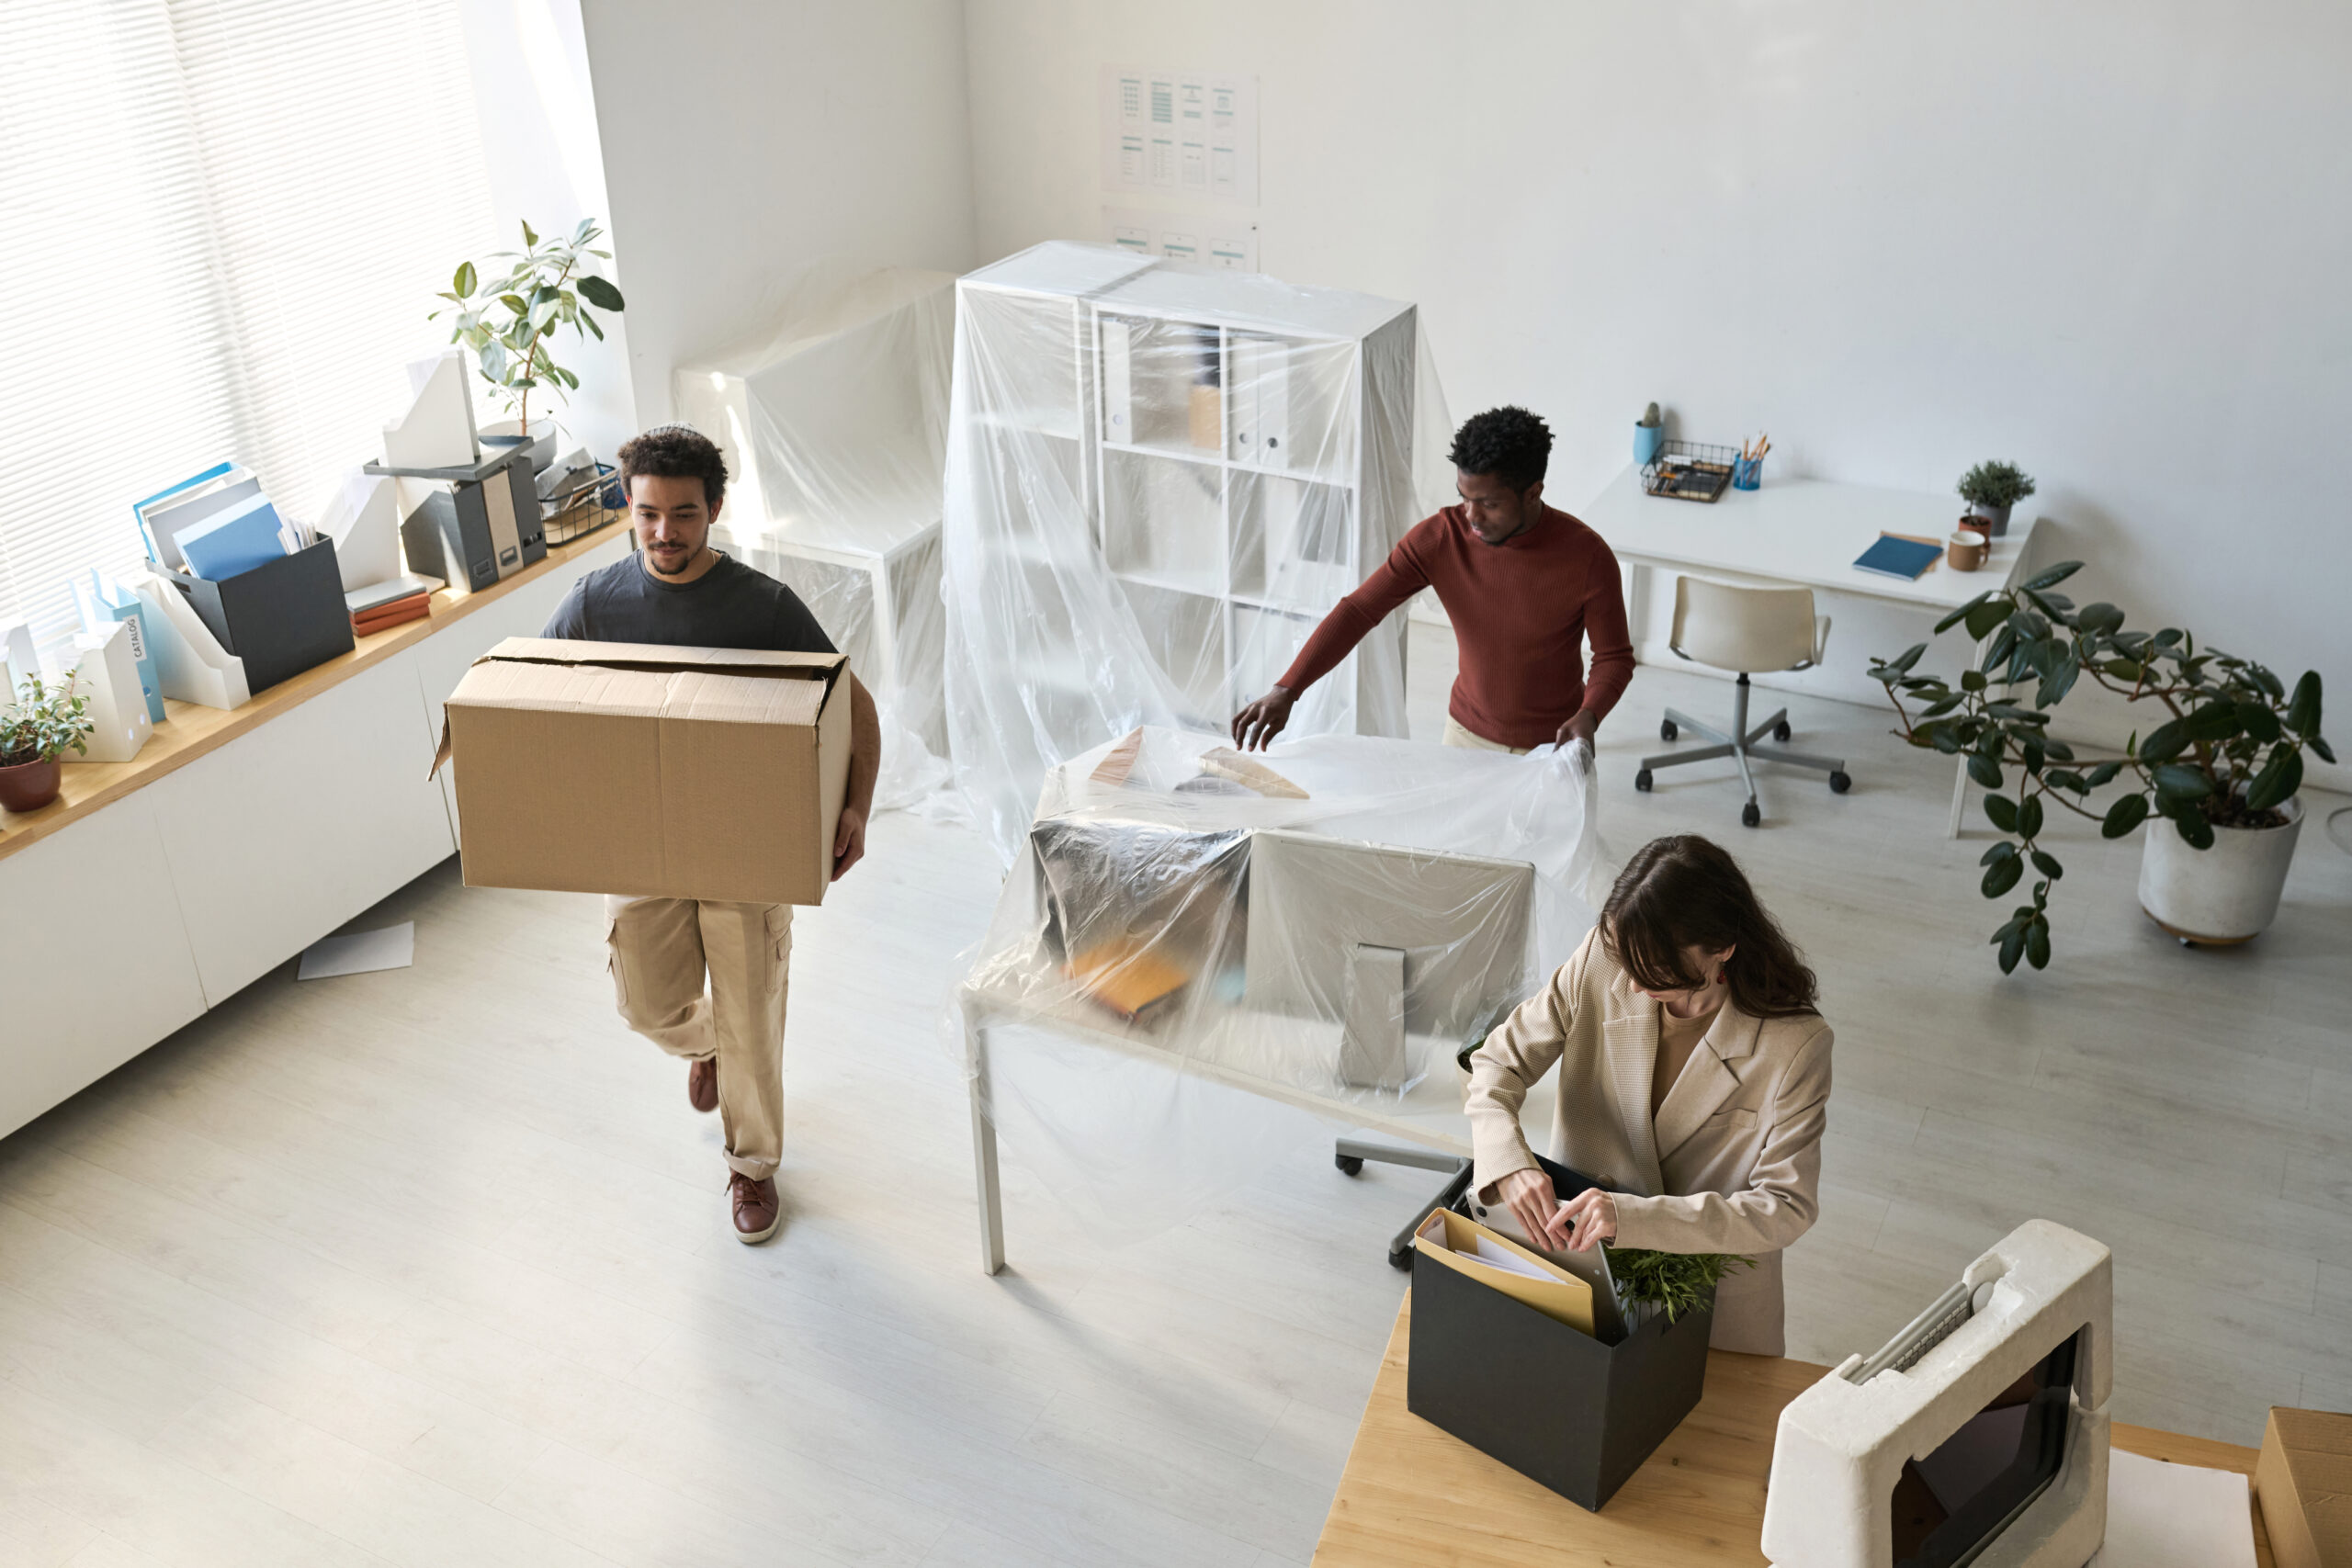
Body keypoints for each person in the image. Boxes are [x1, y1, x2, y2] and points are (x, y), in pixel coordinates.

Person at [542, 425, 881, 1244]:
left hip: (747, 838)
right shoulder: (593, 604)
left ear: (716, 509)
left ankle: (752, 1165)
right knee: (646, 1005)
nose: (664, 533)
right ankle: (710, 1046)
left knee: (752, 1015)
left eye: (684, 514)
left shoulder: (763, 606)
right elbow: (537, 695)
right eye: (648, 513)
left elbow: (854, 704)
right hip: (643, 838)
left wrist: (856, 806)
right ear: (628, 507)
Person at [1463, 835, 1832, 1355]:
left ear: (1722, 948)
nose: (1633, 986)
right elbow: (1497, 1063)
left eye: (1655, 971)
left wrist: (1632, 1218)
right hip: (1578, 1267)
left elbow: (1785, 1206)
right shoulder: (1604, 960)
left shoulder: (1794, 1044)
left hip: (1711, 1304)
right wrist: (1508, 1163)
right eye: (1625, 960)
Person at [1230, 405, 1633, 755]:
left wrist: (1590, 714)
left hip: (1556, 744)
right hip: (1463, 738)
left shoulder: (1587, 557)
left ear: (1533, 492)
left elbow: (1613, 657)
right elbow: (1360, 610)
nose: (1472, 516)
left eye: (1489, 504)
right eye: (1464, 498)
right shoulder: (1441, 538)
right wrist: (1288, 689)